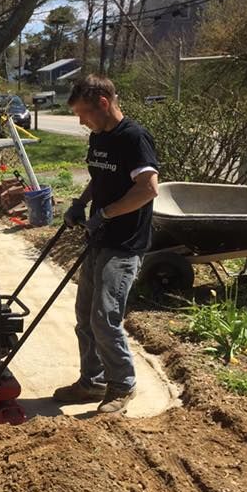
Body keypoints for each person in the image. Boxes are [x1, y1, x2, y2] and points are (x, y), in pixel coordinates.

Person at [52, 74, 159, 414]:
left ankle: (122, 384)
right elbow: (99, 178)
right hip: (99, 237)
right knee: (84, 314)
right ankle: (93, 380)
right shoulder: (99, 137)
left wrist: (108, 213)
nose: (80, 122)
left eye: (83, 113)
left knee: (104, 316)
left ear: (103, 103)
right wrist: (81, 204)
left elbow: (148, 188)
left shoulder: (134, 138)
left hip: (124, 244)